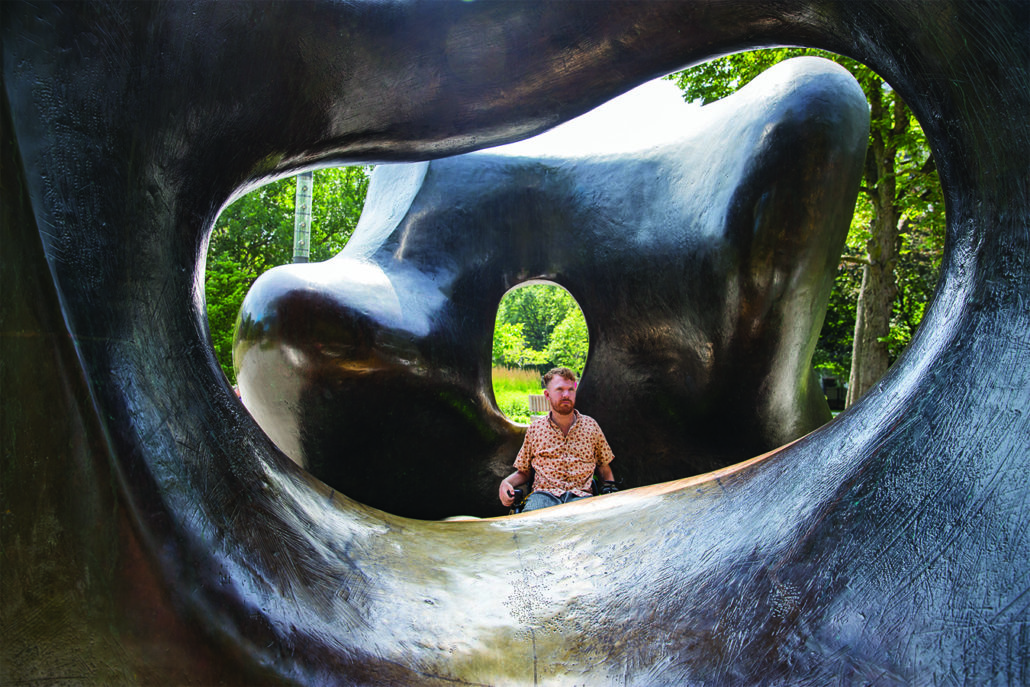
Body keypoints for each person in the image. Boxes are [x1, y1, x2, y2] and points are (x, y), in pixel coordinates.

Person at [498, 367, 616, 512]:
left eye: (570, 390)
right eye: (560, 390)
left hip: (581, 497)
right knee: (530, 525)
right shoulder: (536, 429)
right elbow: (524, 471)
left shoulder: (591, 426)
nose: (566, 395)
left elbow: (604, 468)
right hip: (543, 496)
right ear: (547, 395)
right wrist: (505, 483)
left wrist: (610, 490)